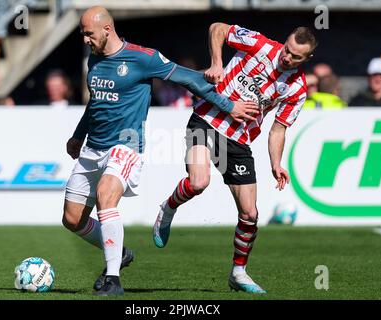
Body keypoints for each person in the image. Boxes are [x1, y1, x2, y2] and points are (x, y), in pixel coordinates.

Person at [62, 7, 259, 296]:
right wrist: (79, 135)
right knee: (72, 219)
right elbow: (95, 103)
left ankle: (113, 278)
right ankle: (121, 253)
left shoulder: (144, 58)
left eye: (88, 34)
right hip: (93, 147)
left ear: (107, 29)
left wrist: (230, 106)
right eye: (83, 34)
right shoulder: (94, 59)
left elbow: (190, 79)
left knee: (107, 195)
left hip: (125, 145)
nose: (85, 40)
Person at [153, 23, 318, 294]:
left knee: (250, 213)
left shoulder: (297, 88)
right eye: (287, 50)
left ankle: (238, 273)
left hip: (238, 139)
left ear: (306, 59)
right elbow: (217, 28)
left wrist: (276, 163)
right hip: (206, 119)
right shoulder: (259, 44)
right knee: (198, 182)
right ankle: (167, 208)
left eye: (296, 56)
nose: (287, 57)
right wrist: (217, 63)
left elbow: (279, 129)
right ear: (285, 41)